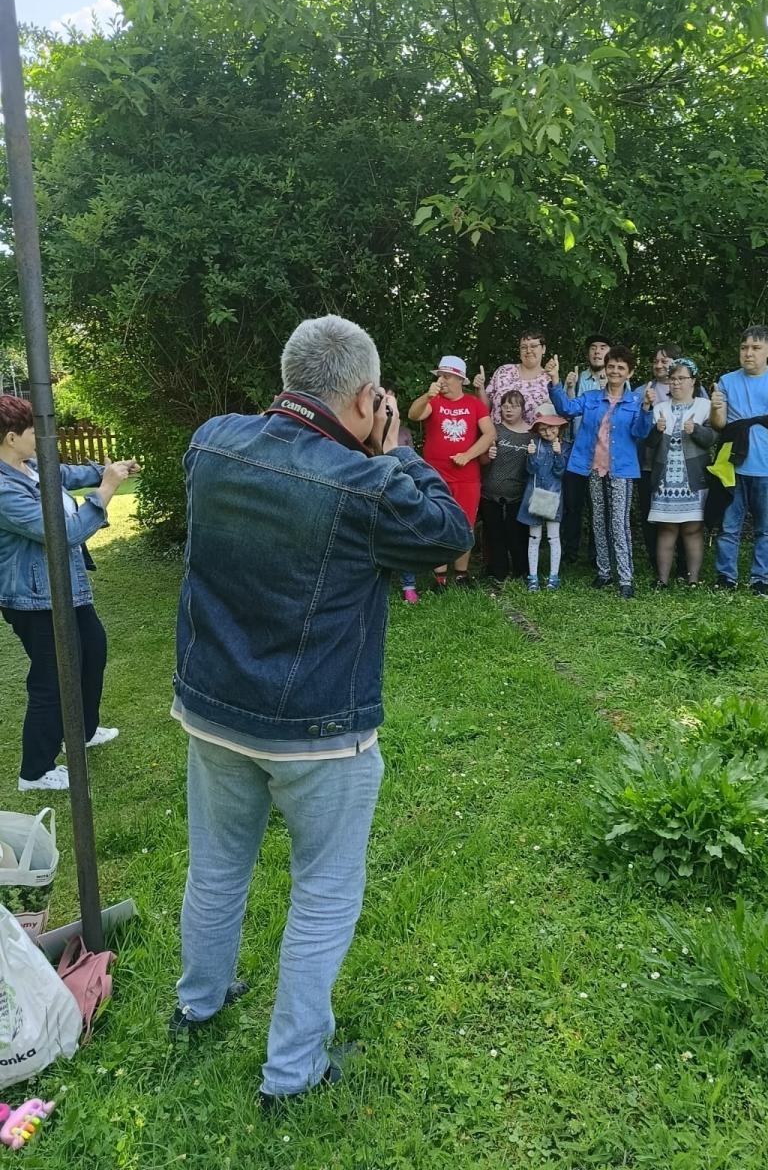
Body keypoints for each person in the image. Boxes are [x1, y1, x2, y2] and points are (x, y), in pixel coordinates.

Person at [170, 315, 472, 1105]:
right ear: (371, 396)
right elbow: (448, 533)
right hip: (318, 730)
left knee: (217, 865)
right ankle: (292, 1070)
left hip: (212, 710)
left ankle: (197, 1003)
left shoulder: (210, 442)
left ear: (288, 378)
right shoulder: (368, 484)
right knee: (325, 894)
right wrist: (399, 447)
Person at [0, 395, 137, 791]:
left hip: (66, 588)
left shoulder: (31, 468)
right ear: (11, 438)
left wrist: (107, 470)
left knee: (92, 652)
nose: (44, 438)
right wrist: (107, 488)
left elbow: (69, 474)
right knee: (52, 679)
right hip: (34, 599)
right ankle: (35, 771)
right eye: (33, 432)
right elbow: (65, 534)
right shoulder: (5, 491)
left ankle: (83, 732)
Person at [549, 347, 653, 598]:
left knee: (618, 523)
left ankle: (626, 578)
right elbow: (566, 409)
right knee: (598, 519)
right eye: (612, 366)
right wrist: (555, 382)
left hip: (621, 470)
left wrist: (648, 409)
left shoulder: (636, 401)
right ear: (605, 369)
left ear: (630, 373)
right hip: (592, 466)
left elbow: (641, 433)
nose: (615, 371)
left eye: (621, 367)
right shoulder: (592, 397)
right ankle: (604, 572)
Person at [709, 325, 768, 598]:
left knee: (767, 528)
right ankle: (726, 577)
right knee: (728, 527)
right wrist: (715, 407)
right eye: (744, 348)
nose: (749, 353)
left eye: (756, 348)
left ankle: (761, 579)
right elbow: (720, 424)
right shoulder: (726, 380)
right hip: (733, 466)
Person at [407, 355, 496, 590]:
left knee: (465, 523)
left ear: (459, 379)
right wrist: (428, 395)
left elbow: (490, 434)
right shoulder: (433, 401)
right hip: (435, 475)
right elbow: (413, 415)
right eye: (440, 376)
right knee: (437, 521)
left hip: (467, 477)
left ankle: (461, 574)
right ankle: (439, 577)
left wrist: (468, 455)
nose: (442, 380)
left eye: (446, 376)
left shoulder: (474, 404)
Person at [645, 359, 715, 587]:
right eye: (672, 379)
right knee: (666, 529)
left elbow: (712, 439)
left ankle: (693, 580)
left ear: (692, 381)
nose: (676, 383)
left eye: (681, 378)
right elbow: (649, 444)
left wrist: (696, 431)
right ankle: (662, 580)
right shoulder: (659, 409)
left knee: (693, 529)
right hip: (665, 479)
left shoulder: (704, 406)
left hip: (693, 478)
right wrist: (656, 431)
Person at [560, 333, 610, 563]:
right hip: (575, 450)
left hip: (603, 453)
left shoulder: (618, 380)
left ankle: (596, 554)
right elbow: (567, 410)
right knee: (573, 503)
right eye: (593, 347)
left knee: (599, 506)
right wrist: (569, 387)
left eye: (602, 347)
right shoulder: (578, 377)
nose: (597, 352)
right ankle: (569, 552)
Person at [635, 344, 681, 569]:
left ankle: (682, 563)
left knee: (680, 514)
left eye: (665, 361)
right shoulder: (642, 390)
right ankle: (656, 561)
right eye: (656, 361)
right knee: (650, 513)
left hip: (680, 466)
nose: (659, 365)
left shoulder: (694, 389)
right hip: (648, 464)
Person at [479, 390, 531, 582]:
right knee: (494, 535)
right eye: (505, 405)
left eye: (514, 405)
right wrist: (487, 455)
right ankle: (497, 573)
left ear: (522, 408)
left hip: (518, 496)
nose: (508, 409)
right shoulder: (494, 430)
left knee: (517, 535)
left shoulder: (531, 435)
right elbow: (481, 460)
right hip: (490, 493)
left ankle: (521, 571)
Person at [518, 402, 570, 591]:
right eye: (542, 428)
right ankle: (533, 577)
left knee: (553, 538)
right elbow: (531, 470)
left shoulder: (563, 446)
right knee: (534, 537)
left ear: (559, 427)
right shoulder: (534, 444)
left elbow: (560, 472)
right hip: (534, 496)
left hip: (554, 496)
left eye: (551, 427)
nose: (547, 432)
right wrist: (530, 456)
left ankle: (553, 577)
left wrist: (558, 454)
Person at [474, 331, 552, 425]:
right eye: (523, 347)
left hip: (532, 438)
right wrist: (480, 388)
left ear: (543, 349)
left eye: (533, 346)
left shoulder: (550, 379)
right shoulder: (503, 371)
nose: (528, 350)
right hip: (496, 437)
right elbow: (485, 409)